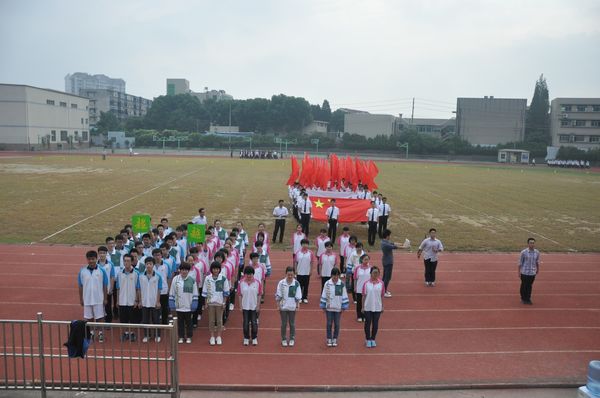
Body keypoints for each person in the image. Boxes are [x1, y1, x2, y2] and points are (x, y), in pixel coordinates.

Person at [78, 250, 109, 342]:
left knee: (100, 317)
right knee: (89, 317)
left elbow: (105, 285)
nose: (91, 261)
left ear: (96, 259)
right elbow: (80, 286)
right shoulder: (82, 271)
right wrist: (81, 299)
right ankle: (91, 333)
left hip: (99, 299)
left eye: (93, 259)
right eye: (89, 259)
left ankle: (101, 334)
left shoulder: (101, 271)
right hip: (87, 299)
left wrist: (105, 298)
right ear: (87, 260)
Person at [169, 262, 199, 344]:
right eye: (182, 270)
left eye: (186, 270)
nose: (184, 271)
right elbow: (172, 292)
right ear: (180, 270)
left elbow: (195, 293)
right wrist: (172, 303)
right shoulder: (175, 279)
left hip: (188, 306)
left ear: (188, 271)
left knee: (189, 323)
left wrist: (194, 304)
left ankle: (189, 336)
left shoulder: (192, 280)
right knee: (180, 323)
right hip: (179, 306)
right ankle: (181, 336)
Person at [202, 261, 230, 346]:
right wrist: (205, 303)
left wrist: (224, 302)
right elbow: (205, 291)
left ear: (219, 269)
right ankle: (212, 337)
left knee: (219, 320)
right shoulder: (207, 278)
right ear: (211, 269)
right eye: (214, 269)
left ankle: (219, 336)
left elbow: (225, 292)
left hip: (219, 303)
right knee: (211, 321)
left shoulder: (223, 278)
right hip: (210, 303)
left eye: (217, 269)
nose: (216, 270)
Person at [320, 268, 349, 347]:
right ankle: (329, 338)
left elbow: (344, 295)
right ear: (331, 275)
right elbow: (324, 294)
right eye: (334, 275)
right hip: (329, 308)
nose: (335, 277)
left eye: (337, 275)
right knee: (329, 324)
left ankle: (335, 338)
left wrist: (344, 306)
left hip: (338, 308)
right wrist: (323, 305)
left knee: (337, 324)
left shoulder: (341, 284)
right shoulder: (327, 284)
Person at [115, 254, 140, 342]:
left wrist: (137, 300)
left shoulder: (136, 273)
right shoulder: (119, 274)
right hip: (122, 301)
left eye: (128, 261)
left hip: (132, 300)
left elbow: (138, 288)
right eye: (125, 261)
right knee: (123, 319)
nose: (126, 263)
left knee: (133, 319)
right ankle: (125, 333)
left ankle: (132, 333)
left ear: (132, 262)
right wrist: (118, 300)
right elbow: (118, 288)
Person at [275, 266, 302, 347]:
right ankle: (283, 339)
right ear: (286, 274)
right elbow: (278, 295)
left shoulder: (296, 283)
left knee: (292, 323)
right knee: (283, 324)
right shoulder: (281, 283)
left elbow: (298, 296)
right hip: (283, 307)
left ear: (294, 274)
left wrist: (298, 306)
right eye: (288, 275)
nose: (290, 276)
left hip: (292, 307)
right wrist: (277, 305)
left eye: (291, 275)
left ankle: (292, 338)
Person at [139, 257, 163, 343]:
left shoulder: (158, 276)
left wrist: (158, 301)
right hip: (145, 302)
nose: (148, 265)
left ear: (153, 265)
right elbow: (139, 289)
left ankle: (157, 335)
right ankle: (147, 335)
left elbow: (159, 289)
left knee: (156, 319)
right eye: (147, 264)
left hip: (154, 302)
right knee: (145, 320)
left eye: (150, 264)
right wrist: (140, 301)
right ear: (145, 265)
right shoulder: (141, 276)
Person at [237, 266, 262, 346]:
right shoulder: (241, 282)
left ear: (253, 274)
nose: (249, 276)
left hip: (254, 306)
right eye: (247, 274)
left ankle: (254, 337)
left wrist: (258, 305)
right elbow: (240, 295)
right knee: (246, 323)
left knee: (254, 323)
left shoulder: (257, 283)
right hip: (245, 307)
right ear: (245, 274)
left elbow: (259, 295)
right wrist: (240, 306)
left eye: (250, 274)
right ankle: (246, 338)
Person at [380, 229, 409, 297]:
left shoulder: (384, 241)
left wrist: (402, 243)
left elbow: (393, 243)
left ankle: (383, 289)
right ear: (387, 236)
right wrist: (404, 247)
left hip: (385, 261)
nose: (390, 236)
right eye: (389, 235)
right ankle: (384, 292)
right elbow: (395, 247)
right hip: (388, 262)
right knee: (387, 277)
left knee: (384, 277)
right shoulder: (385, 244)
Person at [362, 266, 385, 348]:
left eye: (377, 273)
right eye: (374, 272)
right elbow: (364, 296)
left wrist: (382, 306)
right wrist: (362, 307)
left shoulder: (381, 283)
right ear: (370, 273)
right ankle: (368, 339)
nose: (376, 274)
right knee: (367, 323)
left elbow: (382, 296)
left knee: (375, 324)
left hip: (377, 307)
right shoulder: (366, 284)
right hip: (368, 306)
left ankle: (373, 339)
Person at [97, 246, 116, 323]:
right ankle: (98, 322)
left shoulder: (110, 264)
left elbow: (112, 276)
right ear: (98, 254)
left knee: (108, 306)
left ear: (106, 254)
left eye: (104, 253)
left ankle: (108, 322)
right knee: (98, 306)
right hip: (98, 290)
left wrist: (111, 288)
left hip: (107, 289)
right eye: (100, 253)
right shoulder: (95, 264)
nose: (102, 255)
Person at [519, 238, 540, 305]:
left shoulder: (537, 252)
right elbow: (520, 263)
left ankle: (528, 298)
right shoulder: (523, 252)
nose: (532, 244)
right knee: (524, 285)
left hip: (532, 273)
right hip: (524, 272)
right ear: (528, 244)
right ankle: (523, 298)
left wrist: (538, 269)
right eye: (530, 243)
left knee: (529, 286)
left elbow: (537, 261)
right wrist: (519, 272)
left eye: (533, 243)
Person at [294, 239, 315, 304]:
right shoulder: (298, 252)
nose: (305, 245)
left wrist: (311, 270)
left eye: (306, 244)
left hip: (306, 272)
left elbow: (312, 262)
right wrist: (295, 270)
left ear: (308, 245)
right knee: (299, 286)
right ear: (301, 244)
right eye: (303, 244)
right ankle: (299, 297)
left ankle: (305, 297)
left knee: (306, 285)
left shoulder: (310, 253)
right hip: (299, 272)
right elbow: (295, 262)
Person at [353, 254, 372, 322]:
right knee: (359, 303)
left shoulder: (370, 268)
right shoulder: (358, 268)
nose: (366, 261)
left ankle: (365, 316)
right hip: (360, 288)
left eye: (367, 259)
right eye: (365, 259)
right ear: (362, 260)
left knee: (367, 303)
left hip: (368, 289)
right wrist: (355, 287)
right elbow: (355, 278)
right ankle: (359, 316)